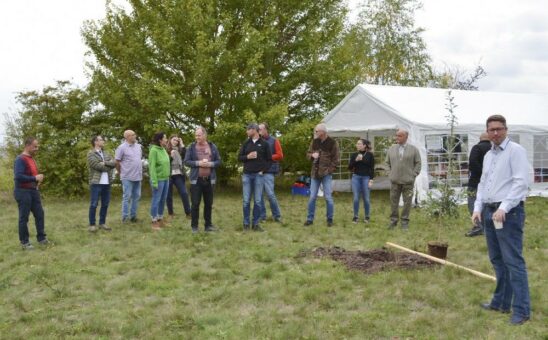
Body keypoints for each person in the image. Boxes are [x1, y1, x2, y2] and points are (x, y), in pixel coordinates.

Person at [472, 114, 531, 325]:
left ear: (506, 129)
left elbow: (521, 182)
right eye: (491, 129)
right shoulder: (489, 155)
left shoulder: (516, 151)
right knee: (497, 260)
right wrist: (477, 208)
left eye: (499, 129)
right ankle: (501, 303)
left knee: (513, 262)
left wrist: (504, 207)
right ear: (487, 132)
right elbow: (482, 184)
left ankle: (522, 310)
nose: (495, 133)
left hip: (508, 214)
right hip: (489, 212)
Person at [13, 137, 49, 249]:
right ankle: (24, 243)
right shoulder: (20, 159)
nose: (36, 149)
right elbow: (18, 176)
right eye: (35, 146)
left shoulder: (32, 159)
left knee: (40, 214)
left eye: (37, 146)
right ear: (27, 145)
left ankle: (41, 238)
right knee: (24, 218)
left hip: (33, 191)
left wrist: (38, 179)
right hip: (22, 192)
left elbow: (31, 176)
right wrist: (34, 178)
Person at [184, 126, 222, 233]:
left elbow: (219, 162)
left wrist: (211, 164)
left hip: (209, 180)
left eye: (199, 135)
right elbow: (186, 161)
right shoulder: (191, 147)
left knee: (208, 203)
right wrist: (198, 163)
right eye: (196, 135)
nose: (197, 137)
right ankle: (194, 227)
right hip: (196, 180)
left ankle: (208, 225)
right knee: (195, 204)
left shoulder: (212, 146)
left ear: (205, 135)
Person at [304, 123, 340, 227]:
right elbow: (308, 154)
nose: (315, 133)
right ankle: (310, 219)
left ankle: (330, 220)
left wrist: (329, 171)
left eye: (317, 131)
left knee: (328, 197)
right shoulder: (314, 142)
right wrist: (312, 155)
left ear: (323, 132)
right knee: (312, 197)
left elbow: (336, 159)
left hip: (326, 174)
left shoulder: (333, 143)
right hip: (315, 174)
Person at [238, 123, 272, 231]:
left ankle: (256, 224)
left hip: (259, 175)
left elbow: (270, 160)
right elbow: (239, 157)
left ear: (254, 130)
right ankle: (246, 224)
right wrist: (247, 156)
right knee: (246, 201)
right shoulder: (246, 143)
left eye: (248, 130)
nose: (247, 132)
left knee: (257, 201)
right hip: (247, 175)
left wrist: (263, 170)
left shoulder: (264, 144)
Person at [385, 128, 421, 230]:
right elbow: (386, 163)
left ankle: (404, 221)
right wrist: (389, 174)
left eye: (400, 136)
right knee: (393, 202)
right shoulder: (391, 149)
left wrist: (413, 174)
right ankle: (393, 221)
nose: (397, 137)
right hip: (395, 180)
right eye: (396, 135)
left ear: (406, 137)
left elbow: (418, 163)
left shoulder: (413, 149)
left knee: (407, 202)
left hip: (408, 181)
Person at [87, 135, 116, 232]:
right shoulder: (91, 153)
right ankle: (92, 224)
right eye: (101, 140)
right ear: (96, 142)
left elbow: (114, 163)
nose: (103, 141)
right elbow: (96, 166)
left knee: (105, 204)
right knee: (94, 204)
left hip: (107, 183)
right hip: (96, 183)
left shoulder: (107, 153)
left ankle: (102, 223)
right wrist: (108, 164)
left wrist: (105, 163)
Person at [465, 132, 491, 237]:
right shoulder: (493, 148)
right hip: (490, 182)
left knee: (473, 204)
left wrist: (481, 174)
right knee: (486, 205)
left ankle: (478, 226)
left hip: (476, 181)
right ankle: (486, 226)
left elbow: (473, 163)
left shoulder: (477, 148)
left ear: (480, 139)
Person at [115, 130, 143, 223]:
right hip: (127, 176)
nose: (135, 136)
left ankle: (133, 217)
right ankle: (125, 218)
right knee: (127, 196)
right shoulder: (121, 148)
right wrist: (120, 172)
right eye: (133, 135)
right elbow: (117, 162)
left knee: (137, 196)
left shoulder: (138, 147)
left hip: (137, 176)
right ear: (127, 137)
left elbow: (138, 159)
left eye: (135, 134)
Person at [258, 122, 283, 222]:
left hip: (269, 171)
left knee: (270, 194)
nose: (259, 131)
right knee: (259, 196)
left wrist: (268, 157)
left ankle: (277, 216)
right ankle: (262, 216)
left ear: (265, 130)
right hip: (258, 171)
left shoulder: (274, 141)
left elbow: (280, 155)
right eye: (258, 129)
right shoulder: (256, 141)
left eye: (260, 129)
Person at [348, 138, 375, 224]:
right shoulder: (354, 155)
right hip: (356, 177)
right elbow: (349, 167)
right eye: (357, 144)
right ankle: (355, 217)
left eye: (359, 144)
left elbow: (371, 168)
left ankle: (367, 216)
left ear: (364, 146)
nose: (357, 145)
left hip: (366, 178)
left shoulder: (370, 155)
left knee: (366, 199)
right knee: (356, 198)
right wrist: (356, 160)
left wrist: (371, 180)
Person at [148, 132, 170, 230]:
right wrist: (154, 181)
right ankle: (154, 221)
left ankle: (160, 219)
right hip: (158, 180)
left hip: (166, 179)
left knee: (163, 199)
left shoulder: (163, 149)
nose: (167, 140)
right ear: (160, 140)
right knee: (156, 199)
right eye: (165, 138)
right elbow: (151, 167)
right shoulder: (153, 150)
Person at [166, 135, 191, 220]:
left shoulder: (180, 150)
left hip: (178, 175)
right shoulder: (166, 150)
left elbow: (186, 156)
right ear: (170, 140)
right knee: (168, 195)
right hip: (169, 175)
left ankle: (188, 213)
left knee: (184, 193)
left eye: (177, 140)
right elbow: (164, 162)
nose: (176, 142)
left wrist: (182, 144)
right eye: (174, 140)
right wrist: (170, 157)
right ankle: (170, 213)